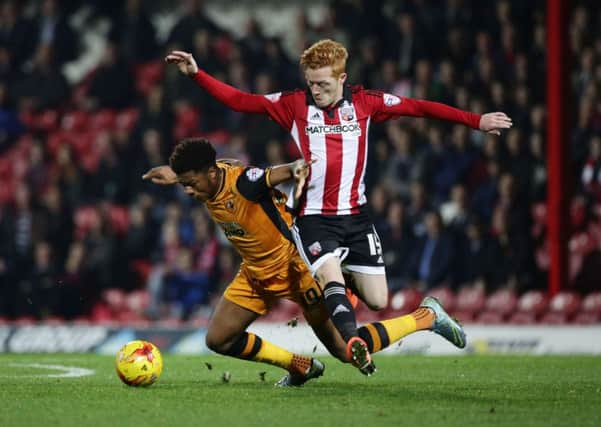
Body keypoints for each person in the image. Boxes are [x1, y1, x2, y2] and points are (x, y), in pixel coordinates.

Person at [164, 40, 510, 373]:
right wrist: (197, 73)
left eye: (324, 84)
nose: (316, 90)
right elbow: (240, 101)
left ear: (342, 78)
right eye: (311, 83)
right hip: (312, 220)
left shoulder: (365, 103)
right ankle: (319, 332)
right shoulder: (294, 105)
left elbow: (418, 107)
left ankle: (425, 316)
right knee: (321, 325)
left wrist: (475, 121)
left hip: (355, 218)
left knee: (375, 303)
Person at [145, 138, 465, 384]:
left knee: (344, 350)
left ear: (211, 172)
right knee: (219, 339)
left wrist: (295, 169)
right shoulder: (209, 177)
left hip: (298, 267)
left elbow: (271, 175)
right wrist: (174, 175)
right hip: (257, 273)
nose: (187, 191)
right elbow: (200, 174)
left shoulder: (243, 182)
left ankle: (426, 316)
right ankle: (300, 366)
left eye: (190, 183)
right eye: (184, 183)